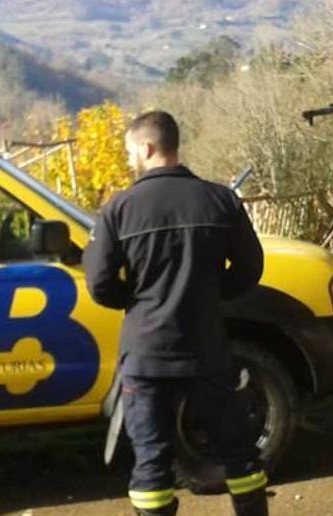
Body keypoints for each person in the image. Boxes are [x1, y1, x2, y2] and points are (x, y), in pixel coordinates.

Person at [83, 111, 269, 516]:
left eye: (130, 150)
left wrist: (137, 301)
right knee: (239, 453)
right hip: (208, 349)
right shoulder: (221, 200)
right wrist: (209, 296)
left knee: (151, 463)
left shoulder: (120, 208)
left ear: (147, 148)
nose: (129, 158)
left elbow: (97, 283)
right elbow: (251, 269)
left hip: (146, 354)